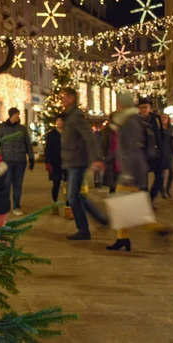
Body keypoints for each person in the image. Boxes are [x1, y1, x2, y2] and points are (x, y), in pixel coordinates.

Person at [106, 93, 172, 252]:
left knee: (131, 208)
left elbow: (133, 148)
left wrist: (128, 173)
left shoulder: (130, 122)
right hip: (131, 168)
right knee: (123, 205)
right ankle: (123, 239)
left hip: (132, 170)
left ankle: (158, 229)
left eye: (119, 103)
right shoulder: (127, 120)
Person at [61, 88, 108, 241]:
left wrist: (96, 158)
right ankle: (100, 220)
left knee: (73, 197)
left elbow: (89, 137)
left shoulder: (76, 116)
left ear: (71, 99)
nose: (62, 100)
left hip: (78, 162)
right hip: (72, 160)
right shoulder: (69, 116)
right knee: (78, 196)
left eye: (64, 97)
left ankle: (84, 230)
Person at [0, 107, 35, 216]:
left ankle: (16, 206)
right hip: (6, 160)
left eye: (18, 114)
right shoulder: (2, 128)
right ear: (11, 115)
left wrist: (31, 158)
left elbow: (28, 144)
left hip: (20, 161)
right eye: (16, 114)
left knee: (18, 185)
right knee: (6, 184)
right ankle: (5, 205)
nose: (18, 116)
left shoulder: (22, 129)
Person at [137, 97, 166, 203]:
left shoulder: (156, 119)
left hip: (156, 153)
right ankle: (145, 203)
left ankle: (150, 199)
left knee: (160, 178)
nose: (144, 110)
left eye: (146, 107)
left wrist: (163, 150)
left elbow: (162, 134)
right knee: (143, 182)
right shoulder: (135, 120)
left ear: (150, 108)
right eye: (141, 107)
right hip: (142, 154)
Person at [45, 116, 65, 206]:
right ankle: (54, 202)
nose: (59, 122)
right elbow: (48, 149)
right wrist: (47, 162)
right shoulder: (51, 134)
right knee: (56, 183)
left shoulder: (68, 133)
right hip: (55, 162)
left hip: (67, 161)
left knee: (68, 184)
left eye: (61, 120)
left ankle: (68, 205)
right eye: (58, 120)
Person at [160, 113, 173, 198]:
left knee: (172, 172)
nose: (164, 119)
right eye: (162, 118)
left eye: (165, 117)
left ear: (168, 119)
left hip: (171, 154)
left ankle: (168, 188)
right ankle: (162, 190)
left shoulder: (172, 128)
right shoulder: (158, 129)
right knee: (161, 175)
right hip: (161, 154)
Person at [100, 117, 118, 195]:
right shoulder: (107, 132)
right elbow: (103, 145)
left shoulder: (124, 129)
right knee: (113, 182)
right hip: (112, 159)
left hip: (121, 159)